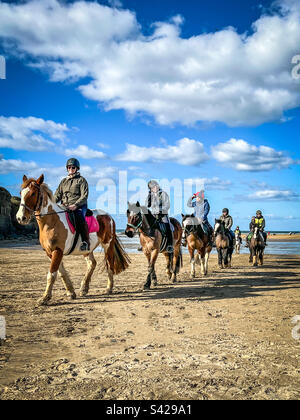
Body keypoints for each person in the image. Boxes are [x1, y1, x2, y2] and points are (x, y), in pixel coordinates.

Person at [54, 158, 90, 251]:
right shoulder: (63, 181)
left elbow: (84, 196)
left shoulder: (81, 180)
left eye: (73, 167)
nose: (71, 169)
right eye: (69, 167)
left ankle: (85, 242)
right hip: (65, 205)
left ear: (77, 168)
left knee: (79, 217)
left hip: (79, 205)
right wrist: (51, 203)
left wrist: (76, 205)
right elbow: (57, 195)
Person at [146, 180, 173, 253]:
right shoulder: (151, 195)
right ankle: (145, 244)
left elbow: (167, 205)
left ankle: (170, 245)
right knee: (146, 227)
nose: (153, 189)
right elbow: (147, 205)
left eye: (154, 187)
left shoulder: (163, 194)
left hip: (163, 214)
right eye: (151, 188)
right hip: (154, 215)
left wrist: (161, 211)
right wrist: (149, 196)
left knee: (168, 227)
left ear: (157, 186)